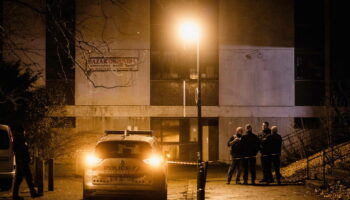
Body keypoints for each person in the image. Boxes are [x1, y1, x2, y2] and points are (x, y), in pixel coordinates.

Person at [12, 127, 41, 200]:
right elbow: (21, 151)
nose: (25, 133)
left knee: (19, 179)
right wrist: (23, 159)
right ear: (21, 132)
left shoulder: (18, 139)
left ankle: (15, 195)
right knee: (28, 177)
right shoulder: (19, 140)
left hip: (22, 161)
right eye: (24, 132)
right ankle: (33, 193)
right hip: (23, 162)